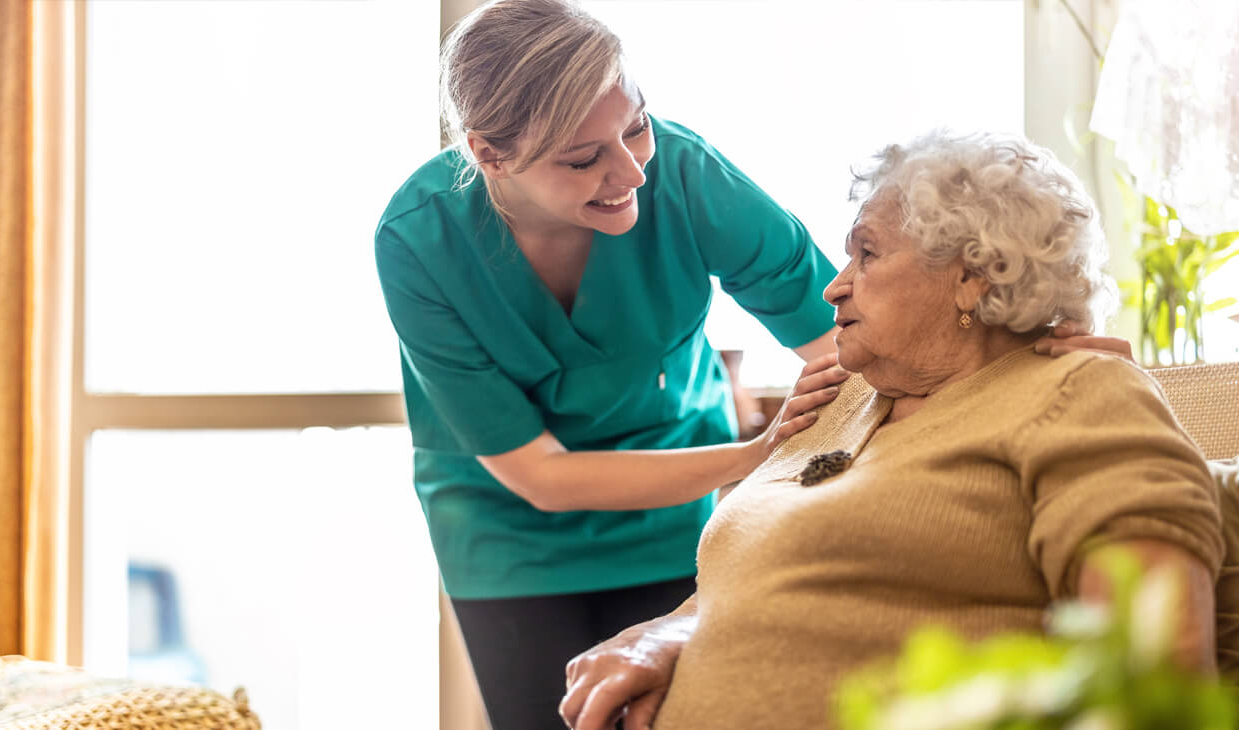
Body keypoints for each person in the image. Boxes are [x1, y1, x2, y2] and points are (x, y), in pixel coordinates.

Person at [376, 1, 1127, 726]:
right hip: (509, 536)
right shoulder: (420, 240)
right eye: (583, 159)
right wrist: (753, 455)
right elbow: (540, 475)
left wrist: (1028, 357)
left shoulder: (687, 174)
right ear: (489, 152)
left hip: (679, 502)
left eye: (636, 128)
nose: (632, 173)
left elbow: (859, 335)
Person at [560, 130, 1222, 730]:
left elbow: (1155, 680)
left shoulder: (1080, 393)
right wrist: (677, 632)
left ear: (971, 275)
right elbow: (767, 576)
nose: (833, 289)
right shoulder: (840, 399)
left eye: (866, 255)